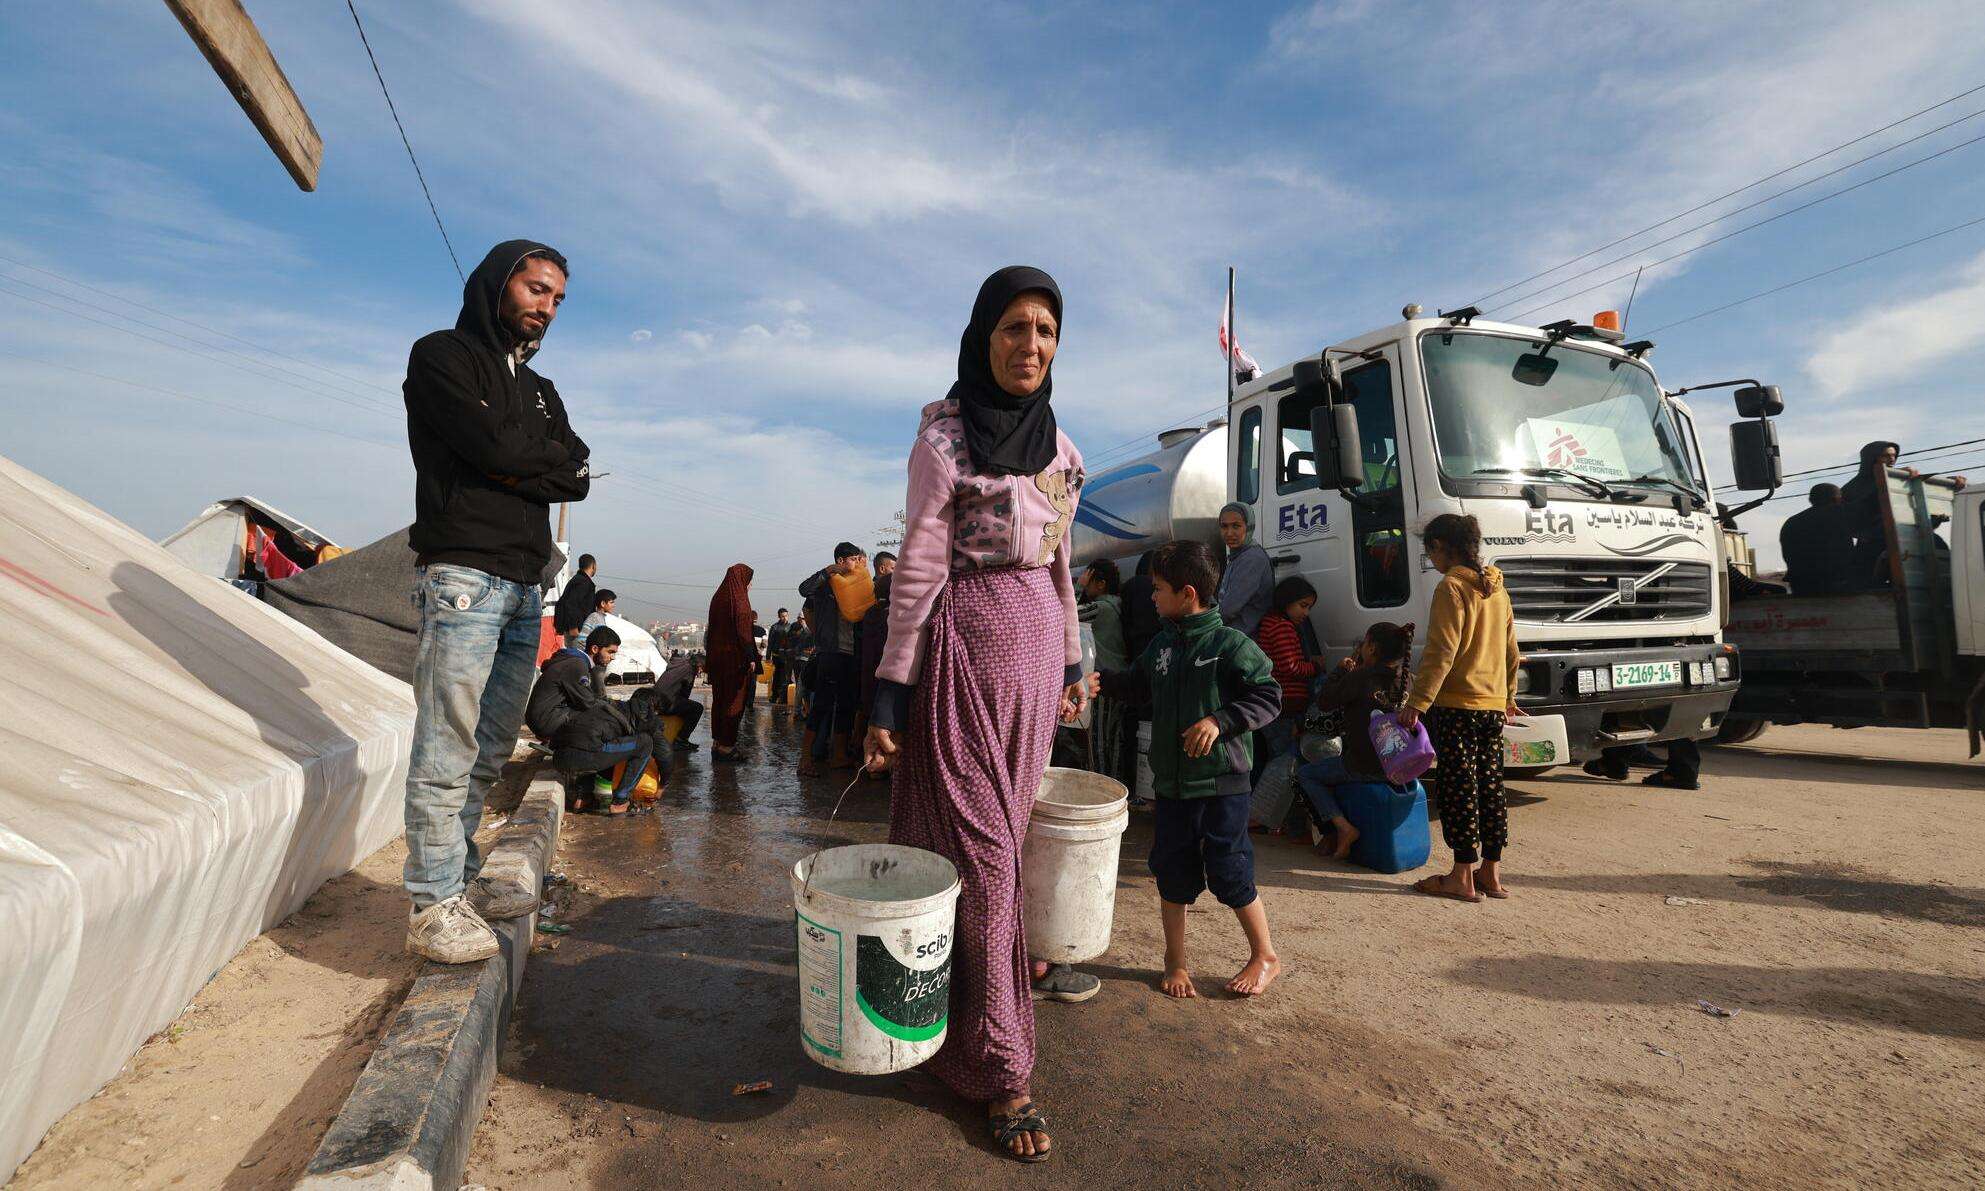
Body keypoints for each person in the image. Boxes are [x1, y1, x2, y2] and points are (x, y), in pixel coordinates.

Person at [862, 266, 1090, 1163]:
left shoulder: (1065, 450)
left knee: (992, 847)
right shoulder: (944, 442)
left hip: (1032, 661)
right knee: (985, 861)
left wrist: (1075, 658)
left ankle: (940, 1023)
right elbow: (918, 564)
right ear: (981, 337)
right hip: (961, 653)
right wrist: (891, 688)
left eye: (1044, 330)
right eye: (1012, 329)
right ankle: (1003, 1069)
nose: (1029, 346)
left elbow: (1063, 568)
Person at [401, 239, 590, 964]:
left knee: (488, 746)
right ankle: (429, 902)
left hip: (522, 585)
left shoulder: (540, 390)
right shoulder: (442, 356)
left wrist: (522, 457)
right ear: (497, 284)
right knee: (445, 743)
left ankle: (465, 877)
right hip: (463, 577)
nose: (545, 307)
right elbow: (498, 450)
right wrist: (522, 458)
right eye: (536, 289)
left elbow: (573, 469)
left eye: (556, 298)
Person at [1091, 540, 1282, 1000]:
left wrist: (1220, 721)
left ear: (1188, 593)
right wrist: (1097, 682)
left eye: (1158, 589)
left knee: (1230, 870)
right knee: (1172, 870)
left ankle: (1265, 956)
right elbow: (1136, 686)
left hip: (1222, 785)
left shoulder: (1230, 645)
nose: (1152, 597)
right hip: (1172, 785)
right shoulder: (1162, 645)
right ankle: (1175, 963)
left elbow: (1268, 696)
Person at [1398, 514, 1519, 903]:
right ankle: (1491, 873)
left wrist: (1417, 703)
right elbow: (1512, 650)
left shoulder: (1451, 587)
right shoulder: (1496, 587)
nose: (1430, 558)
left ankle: (1461, 876)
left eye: (1429, 551)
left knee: (1458, 788)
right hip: (1492, 705)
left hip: (1457, 706)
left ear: (1439, 547)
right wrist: (1509, 697)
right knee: (1490, 785)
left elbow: (1441, 652)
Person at [1298, 622, 1415, 858]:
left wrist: (1340, 671)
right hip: (1400, 766)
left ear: (1371, 648)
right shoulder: (1410, 680)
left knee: (1306, 775)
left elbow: (1324, 702)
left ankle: (1342, 829)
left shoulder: (1361, 677)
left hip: (1363, 766)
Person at [525, 626, 655, 815]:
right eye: (610, 652)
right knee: (605, 728)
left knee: (598, 728)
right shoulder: (576, 665)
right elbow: (588, 702)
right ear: (594, 649)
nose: (612, 657)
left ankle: (583, 795)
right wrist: (621, 719)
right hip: (548, 721)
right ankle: (620, 802)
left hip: (549, 721)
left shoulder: (575, 662)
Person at [798, 543, 868, 773]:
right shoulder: (826, 583)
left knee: (847, 705)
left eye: (859, 559)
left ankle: (838, 755)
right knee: (821, 705)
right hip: (830, 652)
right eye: (854, 559)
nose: (858, 563)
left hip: (851, 653)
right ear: (840, 561)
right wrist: (827, 572)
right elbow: (804, 590)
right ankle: (805, 759)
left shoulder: (859, 583)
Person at [1077, 559, 1135, 790]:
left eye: (1088, 581)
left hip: (1104, 682)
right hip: (1121, 679)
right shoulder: (1117, 604)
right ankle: (1115, 788)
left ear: (1100, 584)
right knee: (1114, 740)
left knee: (1099, 740)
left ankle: (1100, 789)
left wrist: (1078, 587)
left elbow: (1066, 615)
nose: (1085, 585)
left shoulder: (1100, 607)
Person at [1252, 576, 1322, 766]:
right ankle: (1277, 793)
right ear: (1287, 601)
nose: (1306, 613)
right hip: (1285, 705)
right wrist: (1315, 667)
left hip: (1279, 705)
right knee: (1283, 759)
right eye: (1303, 605)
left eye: (1309, 607)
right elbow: (1290, 667)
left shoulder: (1272, 623)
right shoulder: (1281, 627)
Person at [705, 564, 756, 763]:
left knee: (719, 699)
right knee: (735, 701)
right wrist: (751, 656)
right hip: (735, 660)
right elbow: (744, 633)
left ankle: (718, 742)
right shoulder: (740, 600)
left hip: (717, 660)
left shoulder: (718, 597)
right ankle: (727, 746)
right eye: (749, 581)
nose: (750, 585)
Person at [1780, 483, 1858, 596]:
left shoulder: (1791, 522)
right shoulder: (1840, 514)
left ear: (1811, 499)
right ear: (1837, 499)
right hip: (1835, 584)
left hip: (1800, 585)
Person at [1214, 502, 1273, 637]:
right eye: (1224, 526)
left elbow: (1228, 609)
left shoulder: (1252, 558)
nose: (1229, 533)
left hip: (1246, 639)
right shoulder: (1238, 556)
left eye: (1236, 526)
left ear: (1249, 527)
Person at [648, 652, 705, 752]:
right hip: (664, 703)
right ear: (699, 665)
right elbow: (685, 694)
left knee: (686, 705)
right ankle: (681, 740)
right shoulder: (690, 670)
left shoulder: (679, 664)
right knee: (697, 708)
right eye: (702, 669)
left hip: (654, 700)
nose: (701, 672)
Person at [554, 553, 597, 647]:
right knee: (577, 658)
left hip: (577, 629)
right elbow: (571, 604)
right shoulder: (583, 582)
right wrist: (573, 626)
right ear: (593, 566)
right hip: (576, 631)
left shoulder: (578, 580)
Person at [791, 608, 817, 720]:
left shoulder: (805, 629)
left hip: (804, 660)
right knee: (802, 687)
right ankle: (799, 711)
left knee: (805, 687)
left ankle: (805, 711)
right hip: (802, 660)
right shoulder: (798, 629)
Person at [766, 608, 795, 706]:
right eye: (783, 616)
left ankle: (783, 697)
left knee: (786, 677)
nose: (785, 618)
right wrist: (767, 657)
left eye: (786, 616)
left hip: (787, 656)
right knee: (777, 676)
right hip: (776, 656)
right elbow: (770, 643)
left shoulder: (791, 627)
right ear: (779, 616)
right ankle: (774, 696)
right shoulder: (775, 627)